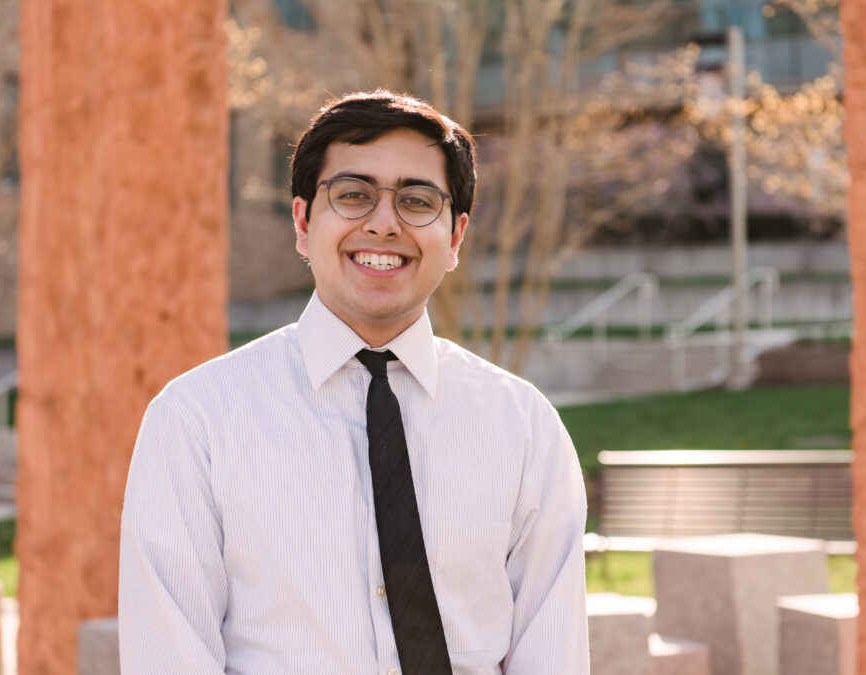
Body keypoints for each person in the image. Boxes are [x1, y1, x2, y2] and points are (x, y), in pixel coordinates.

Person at [119, 90, 589, 674]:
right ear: (302, 221)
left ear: (456, 238)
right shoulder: (195, 421)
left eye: (418, 201)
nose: (384, 223)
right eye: (353, 195)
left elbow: (552, 655)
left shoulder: (524, 429)